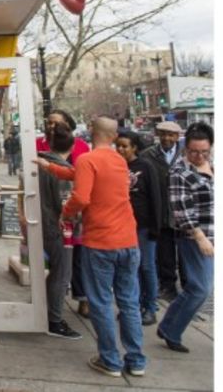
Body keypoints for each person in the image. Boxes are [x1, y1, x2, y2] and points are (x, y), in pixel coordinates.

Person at [49, 116, 145, 378]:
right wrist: (52, 168)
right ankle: (136, 361)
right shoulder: (119, 161)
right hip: (128, 241)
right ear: (114, 136)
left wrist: (65, 214)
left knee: (101, 302)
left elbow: (81, 195)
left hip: (100, 242)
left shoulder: (87, 160)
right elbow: (82, 174)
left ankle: (110, 360)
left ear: (91, 132)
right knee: (128, 302)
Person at [156, 122, 214, 354]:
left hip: (214, 233)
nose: (199, 156)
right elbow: (181, 210)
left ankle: (169, 326)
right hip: (194, 238)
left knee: (197, 288)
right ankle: (171, 329)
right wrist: (200, 237)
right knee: (200, 289)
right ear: (185, 148)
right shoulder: (179, 172)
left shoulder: (214, 165)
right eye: (193, 151)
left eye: (204, 152)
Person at [36, 108, 92, 317]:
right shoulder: (39, 146)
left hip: (71, 217)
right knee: (60, 267)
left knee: (75, 263)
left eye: (56, 123)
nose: (51, 126)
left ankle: (81, 297)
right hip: (56, 216)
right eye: (49, 122)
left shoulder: (80, 147)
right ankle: (53, 310)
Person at [36, 126, 82, 339]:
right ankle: (54, 320)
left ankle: (46, 312)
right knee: (61, 274)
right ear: (72, 147)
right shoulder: (63, 170)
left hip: (42, 225)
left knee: (55, 274)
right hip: (58, 229)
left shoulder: (39, 163)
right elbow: (66, 205)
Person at [116, 130, 163, 326]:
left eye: (124, 146)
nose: (120, 149)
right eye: (118, 145)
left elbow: (155, 196)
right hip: (122, 226)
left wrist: (156, 226)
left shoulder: (146, 166)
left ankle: (150, 307)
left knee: (147, 266)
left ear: (134, 147)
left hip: (144, 225)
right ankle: (131, 306)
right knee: (129, 269)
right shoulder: (115, 166)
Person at [140, 121, 185, 303]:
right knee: (164, 254)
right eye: (163, 134)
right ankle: (168, 286)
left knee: (184, 254)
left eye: (171, 135)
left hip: (182, 213)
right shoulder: (147, 155)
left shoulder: (185, 155)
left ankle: (188, 288)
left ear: (177, 136)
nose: (167, 138)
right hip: (160, 213)